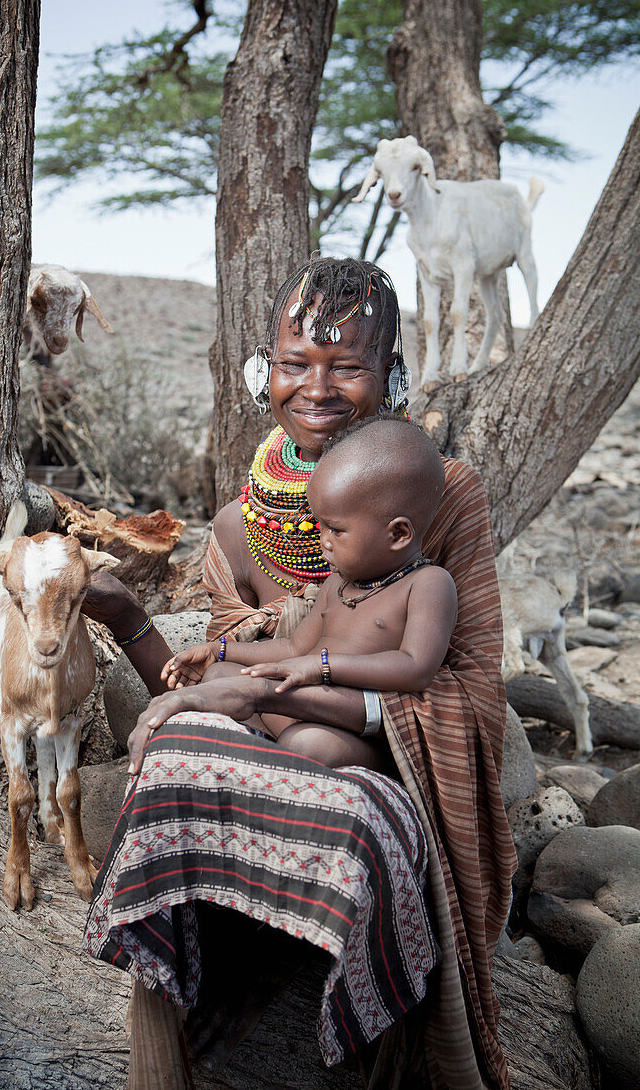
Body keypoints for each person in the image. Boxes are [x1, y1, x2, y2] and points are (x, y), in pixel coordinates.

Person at [83, 257, 515, 1090]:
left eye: (346, 365)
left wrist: (273, 685)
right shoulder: (240, 527)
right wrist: (129, 621)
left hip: (377, 759)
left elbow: (470, 694)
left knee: (303, 742)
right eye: (294, 363)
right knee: (171, 759)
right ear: (262, 372)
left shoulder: (442, 495)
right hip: (271, 748)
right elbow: (199, 679)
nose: (315, 388)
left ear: (389, 374)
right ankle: (176, 1029)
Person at [137, 416, 457, 775]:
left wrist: (321, 667)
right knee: (220, 677)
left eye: (336, 530)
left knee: (306, 745)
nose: (323, 541)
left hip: (357, 722)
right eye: (321, 525)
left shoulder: (428, 583)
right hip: (306, 703)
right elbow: (292, 649)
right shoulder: (338, 583)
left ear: (398, 534)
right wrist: (220, 650)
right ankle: (257, 768)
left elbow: (416, 668)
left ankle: (276, 766)